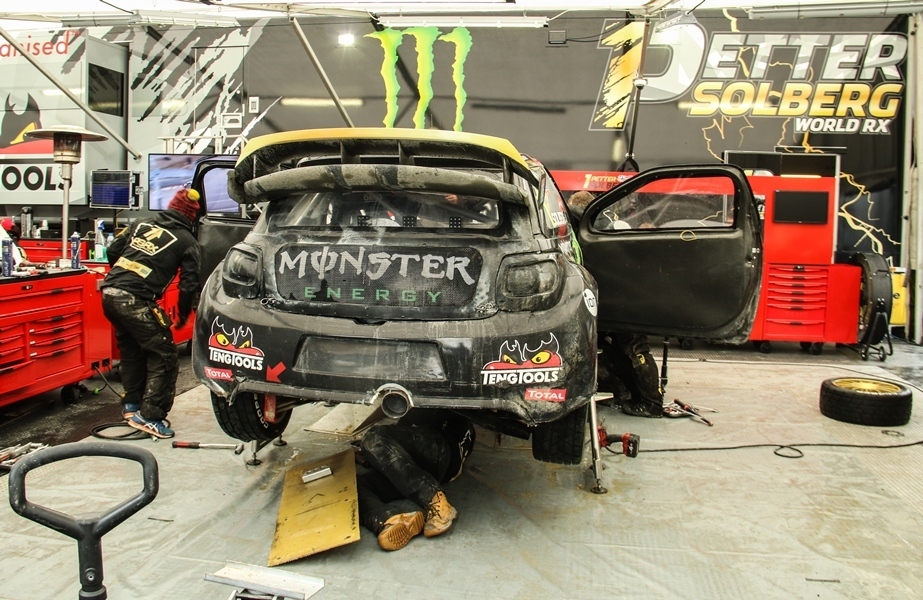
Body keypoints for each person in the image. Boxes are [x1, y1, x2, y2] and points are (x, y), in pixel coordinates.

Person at [100, 188, 202, 439]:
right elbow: (189, 284)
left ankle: (132, 405)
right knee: (165, 355)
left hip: (109, 293)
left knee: (132, 351)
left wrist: (124, 276)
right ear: (191, 216)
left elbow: (113, 250)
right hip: (135, 299)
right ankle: (150, 416)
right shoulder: (187, 241)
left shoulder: (141, 223)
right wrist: (184, 315)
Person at [356, 409, 476, 551]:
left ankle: (437, 502)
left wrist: (374, 446)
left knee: (374, 437)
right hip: (421, 469)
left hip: (442, 450)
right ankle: (389, 520)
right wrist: (371, 456)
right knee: (356, 487)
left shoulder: (457, 414)